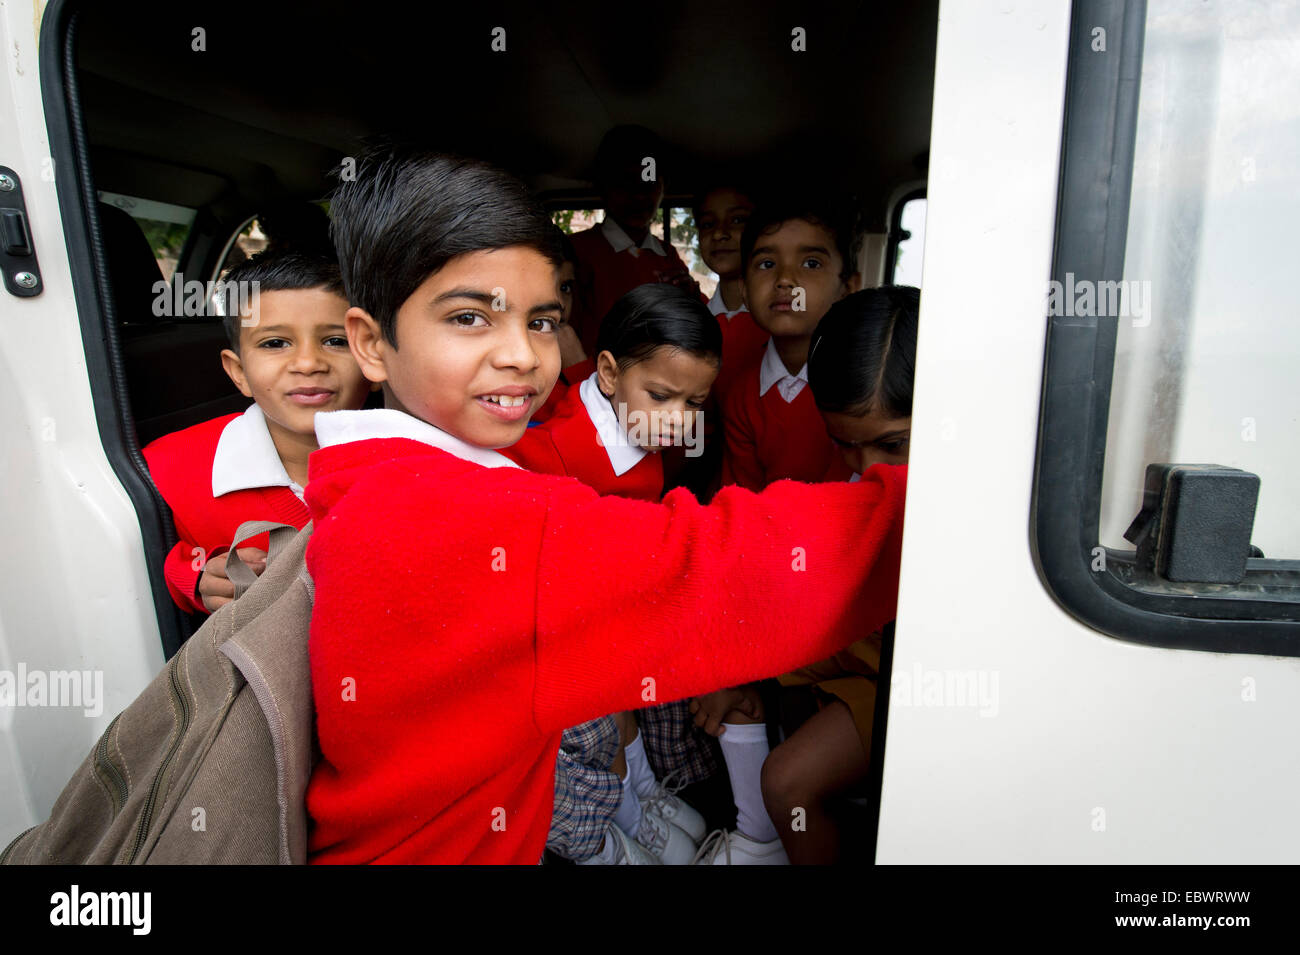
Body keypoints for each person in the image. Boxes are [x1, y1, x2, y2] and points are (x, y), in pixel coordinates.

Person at [305, 144, 907, 864]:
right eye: (470, 318)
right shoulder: (452, 516)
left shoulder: (374, 480)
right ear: (371, 343)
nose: (522, 355)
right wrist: (928, 498)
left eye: (541, 319)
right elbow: (711, 564)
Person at [691, 286, 919, 865]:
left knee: (788, 783)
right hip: (858, 656)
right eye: (846, 445)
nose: (870, 471)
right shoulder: (844, 485)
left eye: (893, 444)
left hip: (910, 677)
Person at [504, 283, 722, 864]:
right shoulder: (547, 455)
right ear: (607, 373)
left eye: (695, 404)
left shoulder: (638, 425)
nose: (679, 420)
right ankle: (622, 811)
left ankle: (644, 793)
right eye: (662, 396)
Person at [142, 251, 373, 615]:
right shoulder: (166, 468)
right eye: (275, 343)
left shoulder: (423, 460)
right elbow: (167, 568)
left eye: (335, 341)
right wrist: (197, 579)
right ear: (239, 373)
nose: (308, 363)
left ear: (374, 358)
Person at [719, 196, 862, 491]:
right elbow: (742, 502)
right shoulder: (742, 396)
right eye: (767, 263)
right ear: (745, 289)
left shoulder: (865, 384)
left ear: (848, 288)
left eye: (811, 263)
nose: (785, 280)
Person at [567, 126, 697, 353]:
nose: (639, 195)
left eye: (649, 183)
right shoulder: (576, 252)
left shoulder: (667, 254)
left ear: (663, 187)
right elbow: (564, 334)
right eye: (626, 183)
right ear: (603, 188)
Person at [693, 183, 768, 409]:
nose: (718, 233)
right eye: (707, 224)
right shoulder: (698, 323)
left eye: (737, 220)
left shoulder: (782, 321)